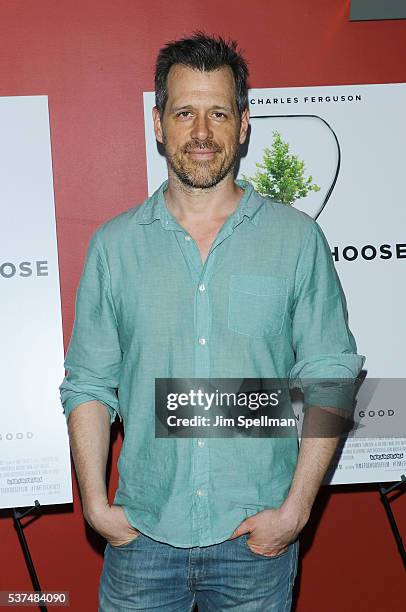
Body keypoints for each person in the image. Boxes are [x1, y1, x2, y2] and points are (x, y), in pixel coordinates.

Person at [59, 32, 365, 611]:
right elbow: (90, 384)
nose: (201, 133)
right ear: (158, 124)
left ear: (244, 124)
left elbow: (329, 374)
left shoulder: (296, 241)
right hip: (142, 536)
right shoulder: (114, 247)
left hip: (255, 539)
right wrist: (96, 506)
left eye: (218, 113)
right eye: (184, 112)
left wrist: (296, 511)